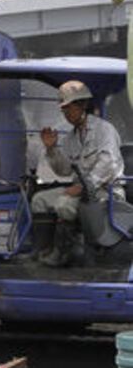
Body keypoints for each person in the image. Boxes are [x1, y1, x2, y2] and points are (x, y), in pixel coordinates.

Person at [30, 80, 133, 267]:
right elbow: (65, 170)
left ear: (83, 105)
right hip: (81, 192)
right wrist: (52, 149)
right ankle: (42, 250)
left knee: (64, 204)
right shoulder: (70, 138)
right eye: (64, 109)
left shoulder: (104, 130)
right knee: (39, 200)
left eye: (69, 108)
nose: (66, 113)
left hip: (105, 191)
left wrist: (82, 186)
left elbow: (109, 165)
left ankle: (63, 254)